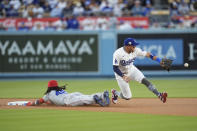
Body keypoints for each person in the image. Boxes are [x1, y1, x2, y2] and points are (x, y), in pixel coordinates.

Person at [112, 38, 170, 104]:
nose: (135, 47)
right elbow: (115, 68)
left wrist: (159, 60)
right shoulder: (118, 53)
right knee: (127, 97)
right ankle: (115, 92)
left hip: (132, 69)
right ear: (128, 46)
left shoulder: (136, 50)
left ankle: (160, 95)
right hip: (121, 74)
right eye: (133, 46)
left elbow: (148, 54)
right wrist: (123, 76)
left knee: (144, 80)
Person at [26, 80, 110, 107]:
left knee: (82, 99)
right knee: (84, 97)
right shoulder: (59, 90)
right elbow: (52, 102)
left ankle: (94, 98)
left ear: (49, 87)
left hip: (68, 100)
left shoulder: (48, 94)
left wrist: (30, 103)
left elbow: (38, 102)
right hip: (72, 94)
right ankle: (102, 95)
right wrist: (48, 103)